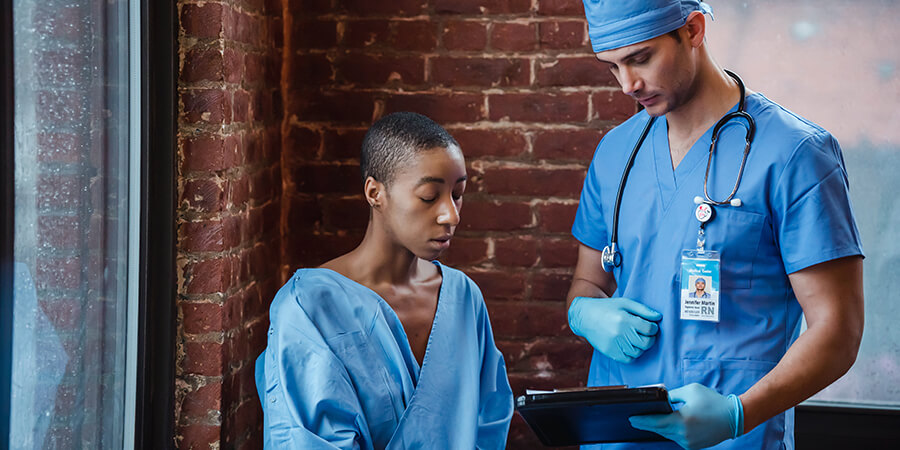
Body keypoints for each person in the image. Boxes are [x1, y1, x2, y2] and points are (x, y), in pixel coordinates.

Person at [565, 1, 865, 449]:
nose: (628, 85)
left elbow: (838, 330)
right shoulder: (615, 153)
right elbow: (588, 281)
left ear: (693, 30)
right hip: (618, 435)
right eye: (612, 67)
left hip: (735, 438)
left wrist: (738, 415)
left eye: (641, 58)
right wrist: (584, 313)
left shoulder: (795, 154)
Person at [255, 112, 514, 449]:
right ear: (375, 192)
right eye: (429, 196)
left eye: (458, 193)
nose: (452, 214)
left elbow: (488, 424)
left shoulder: (464, 297)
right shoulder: (309, 308)